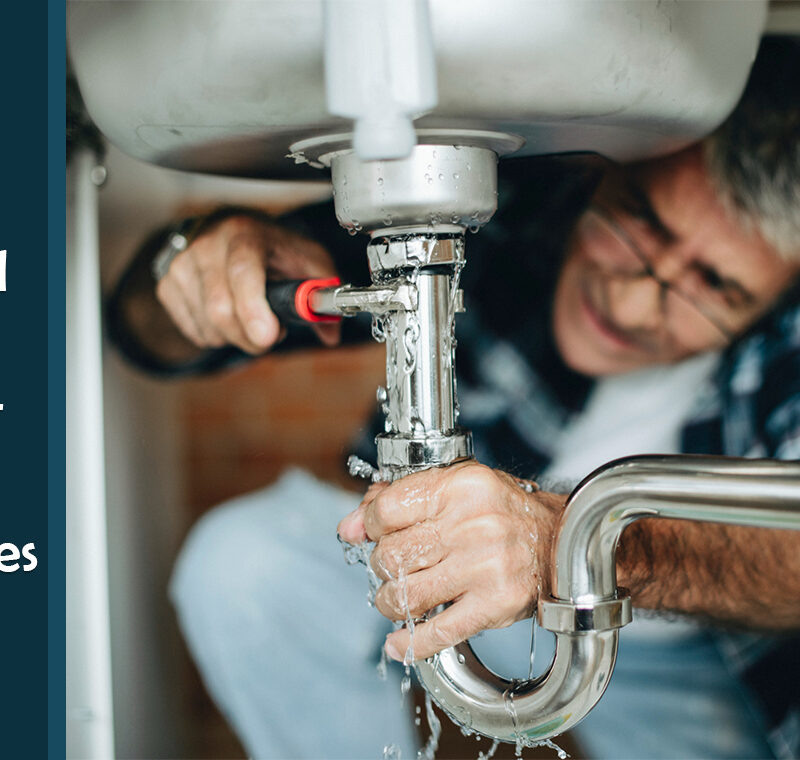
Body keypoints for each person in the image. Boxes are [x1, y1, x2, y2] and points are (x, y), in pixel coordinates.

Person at [108, 38, 800, 759]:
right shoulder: (513, 211)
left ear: (777, 298)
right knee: (246, 568)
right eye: (639, 225)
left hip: (689, 644)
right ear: (609, 176)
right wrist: (201, 258)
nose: (629, 304)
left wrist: (569, 549)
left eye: (714, 288)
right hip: (446, 561)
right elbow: (141, 335)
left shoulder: (792, 338)